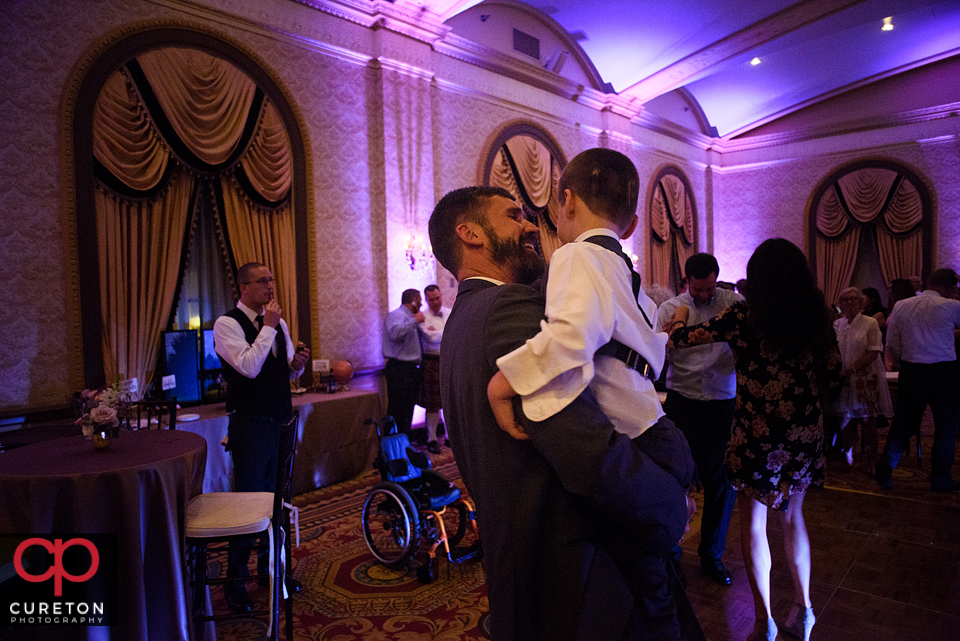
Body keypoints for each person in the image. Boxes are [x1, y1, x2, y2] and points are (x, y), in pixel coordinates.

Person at [429, 186, 693, 641]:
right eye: (515, 215)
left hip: (532, 567)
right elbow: (586, 448)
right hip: (583, 577)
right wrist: (669, 506)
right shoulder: (510, 308)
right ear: (469, 233)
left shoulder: (464, 317)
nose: (532, 225)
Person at [665, 238, 842, 641]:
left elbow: (681, 340)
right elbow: (834, 378)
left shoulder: (741, 317)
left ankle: (764, 621)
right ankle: (805, 608)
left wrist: (677, 319)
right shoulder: (817, 319)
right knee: (795, 520)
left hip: (754, 434)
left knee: (754, 527)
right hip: (801, 435)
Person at [214, 262, 310, 612]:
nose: (271, 286)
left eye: (272, 279)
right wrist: (268, 327)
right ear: (243, 287)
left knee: (278, 502)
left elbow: (279, 372)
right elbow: (249, 367)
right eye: (262, 281)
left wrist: (297, 364)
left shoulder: (278, 324)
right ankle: (234, 581)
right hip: (250, 425)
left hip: (281, 421)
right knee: (248, 504)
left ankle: (273, 572)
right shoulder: (226, 324)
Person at [657, 253, 743, 587]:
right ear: (686, 282)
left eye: (709, 289)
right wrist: (664, 340)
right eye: (698, 289)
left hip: (723, 403)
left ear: (717, 279)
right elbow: (657, 355)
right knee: (676, 479)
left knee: (721, 483)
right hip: (683, 403)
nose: (704, 295)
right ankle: (673, 554)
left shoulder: (734, 304)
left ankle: (712, 556)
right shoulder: (670, 309)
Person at [875, 268, 960, 492]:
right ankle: (940, 477)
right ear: (951, 288)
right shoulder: (952, 306)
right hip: (944, 371)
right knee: (946, 425)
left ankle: (886, 468)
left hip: (912, 371)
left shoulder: (902, 305)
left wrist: (906, 365)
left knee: (904, 422)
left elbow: (891, 345)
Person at [825, 287, 893, 473]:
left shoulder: (870, 323)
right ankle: (848, 458)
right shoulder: (838, 324)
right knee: (845, 419)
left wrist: (852, 369)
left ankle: (873, 460)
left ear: (861, 302)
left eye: (853, 299)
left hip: (864, 377)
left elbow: (874, 350)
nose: (849, 302)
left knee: (867, 420)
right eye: (845, 299)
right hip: (843, 377)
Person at [382, 289, 424, 435]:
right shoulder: (396, 316)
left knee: (408, 409)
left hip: (411, 369)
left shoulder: (411, 318)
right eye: (419, 299)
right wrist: (415, 321)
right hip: (399, 368)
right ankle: (392, 447)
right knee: (398, 409)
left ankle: (404, 442)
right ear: (412, 300)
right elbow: (396, 334)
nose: (421, 303)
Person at [419, 284, 450, 454]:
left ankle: (449, 436)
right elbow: (430, 339)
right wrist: (445, 332)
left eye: (437, 298)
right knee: (432, 405)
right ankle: (431, 438)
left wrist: (438, 332)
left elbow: (455, 334)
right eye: (431, 299)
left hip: (448, 360)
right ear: (426, 300)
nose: (435, 302)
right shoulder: (422, 316)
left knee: (448, 401)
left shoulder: (450, 312)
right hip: (431, 362)